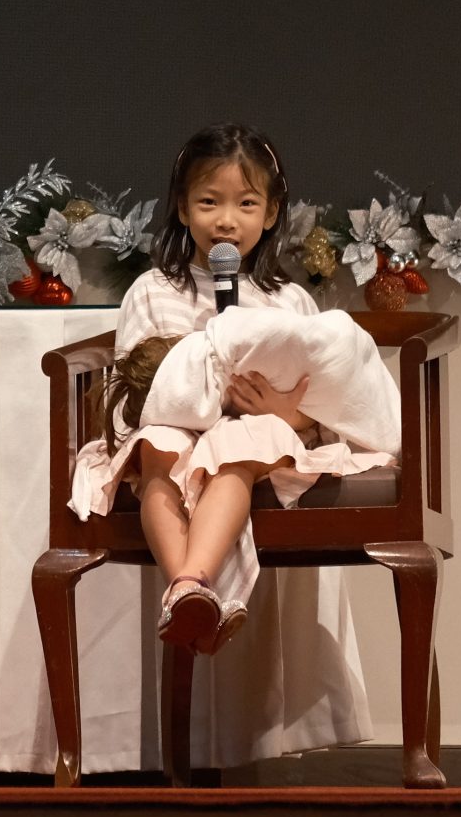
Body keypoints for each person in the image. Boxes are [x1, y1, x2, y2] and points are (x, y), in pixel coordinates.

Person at [77, 123, 376, 659]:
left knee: (240, 445)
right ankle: (191, 592)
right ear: (183, 208)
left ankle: (188, 583)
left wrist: (290, 414)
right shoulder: (153, 291)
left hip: (263, 445)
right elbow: (135, 390)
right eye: (209, 201)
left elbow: (328, 394)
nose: (226, 220)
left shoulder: (288, 302)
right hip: (174, 435)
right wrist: (201, 392)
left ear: (271, 212)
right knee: (159, 445)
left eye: (245, 203)